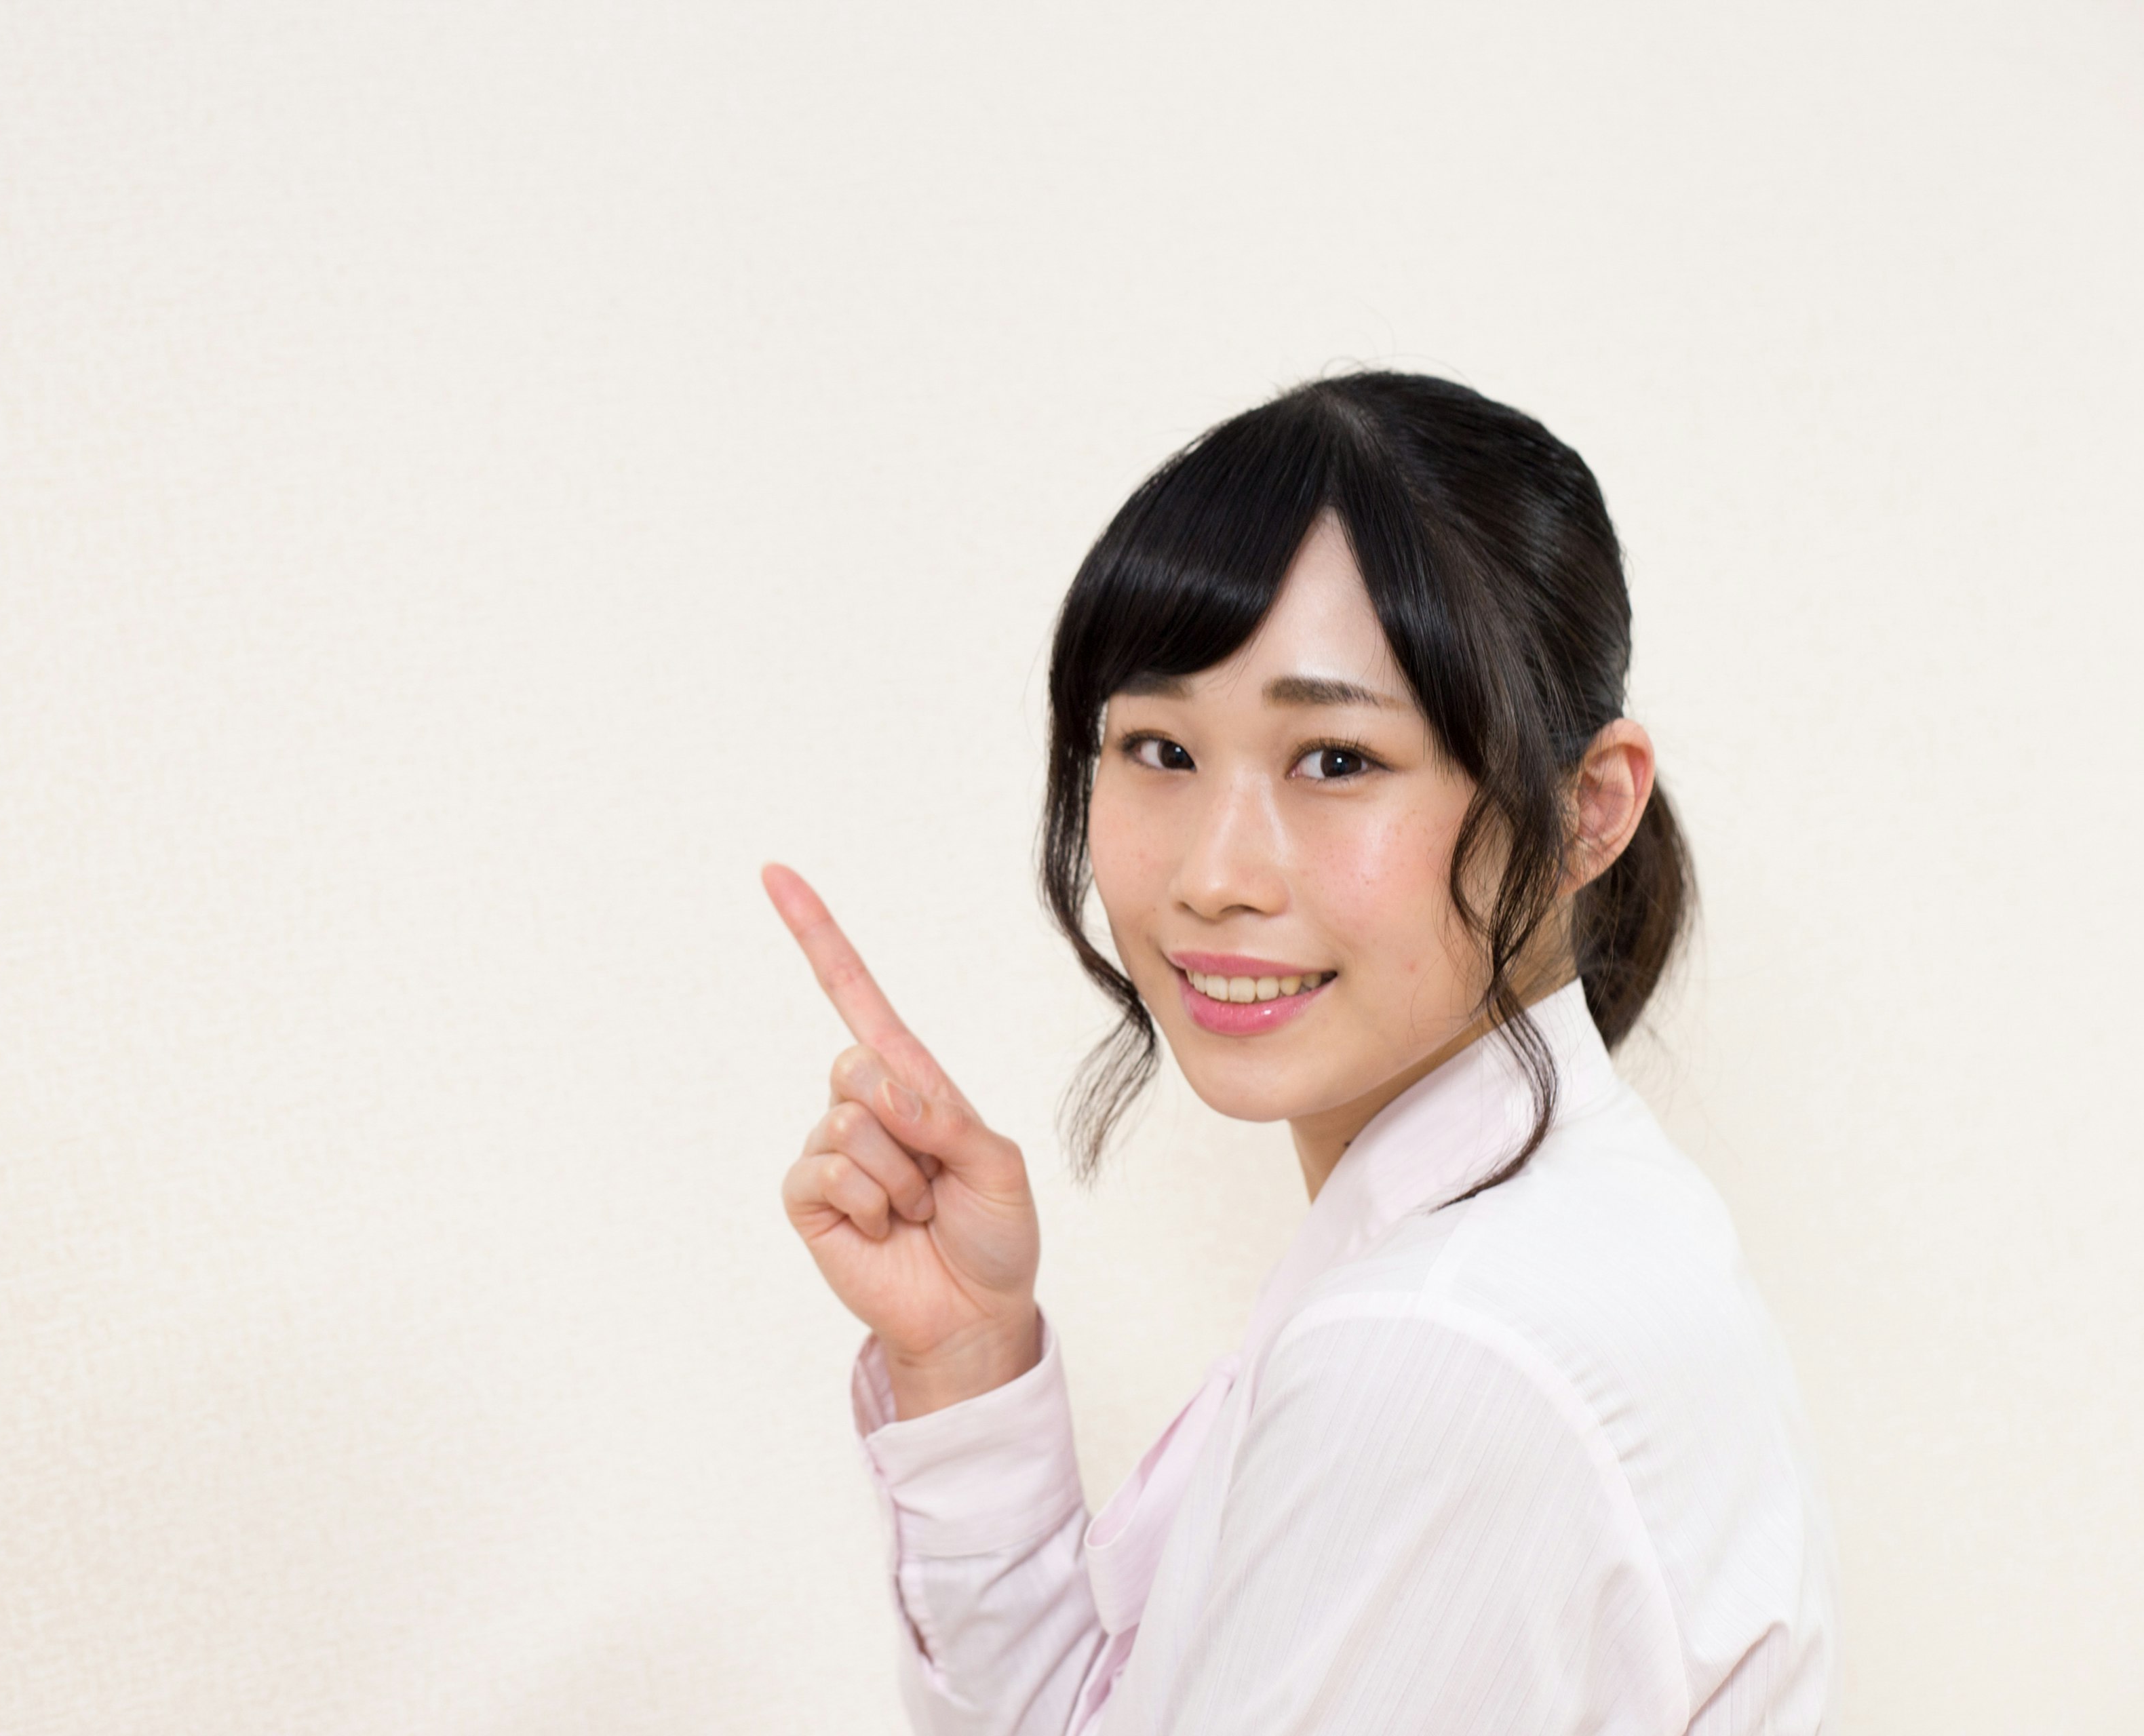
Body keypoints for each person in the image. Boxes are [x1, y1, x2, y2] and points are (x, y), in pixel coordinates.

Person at [760, 371, 1839, 1734]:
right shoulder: (1545, 1231)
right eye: (1158, 746)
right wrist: (965, 1358)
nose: (1215, 872)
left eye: (1335, 760)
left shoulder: (1442, 1346)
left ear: (1588, 807)